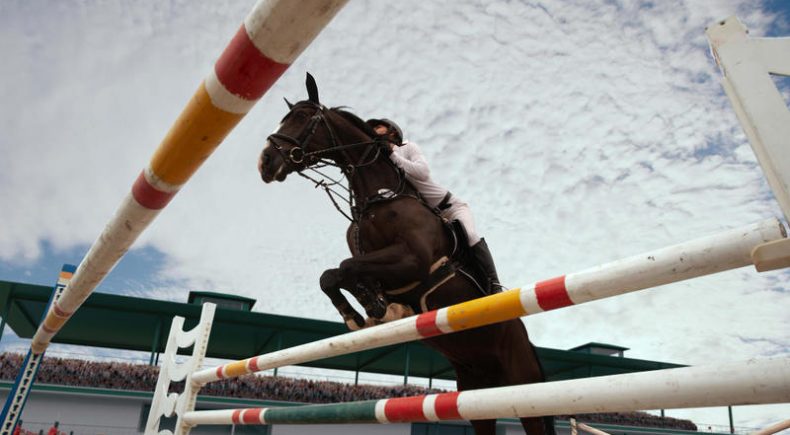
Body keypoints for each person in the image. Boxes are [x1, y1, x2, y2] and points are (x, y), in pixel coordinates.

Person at [367, 118, 504, 292]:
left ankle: (494, 283)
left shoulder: (407, 147)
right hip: (432, 218)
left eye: (377, 126)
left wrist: (393, 155)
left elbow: (423, 173)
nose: (372, 129)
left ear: (392, 131)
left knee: (469, 235)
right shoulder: (385, 163)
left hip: (452, 208)